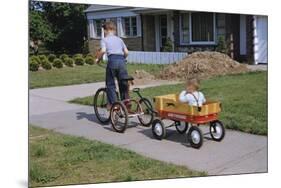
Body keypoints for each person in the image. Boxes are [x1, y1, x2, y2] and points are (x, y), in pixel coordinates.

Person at [95, 21, 129, 110]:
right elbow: (126, 52)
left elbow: (103, 51)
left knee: (110, 84)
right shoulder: (120, 39)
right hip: (121, 61)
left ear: (106, 30)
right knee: (123, 83)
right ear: (114, 30)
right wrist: (123, 59)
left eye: (104, 31)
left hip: (112, 61)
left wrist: (97, 59)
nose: (104, 33)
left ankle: (115, 105)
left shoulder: (104, 39)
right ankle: (126, 104)